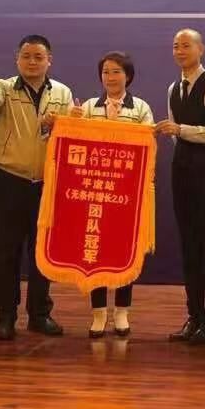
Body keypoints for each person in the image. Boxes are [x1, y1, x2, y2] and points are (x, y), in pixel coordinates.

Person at [0, 34, 73, 341]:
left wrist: (66, 122)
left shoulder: (62, 92)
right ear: (17, 59)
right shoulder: (4, 88)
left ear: (49, 61)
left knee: (42, 252)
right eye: (26, 56)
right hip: (10, 179)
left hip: (47, 182)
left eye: (38, 57)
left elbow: (71, 133)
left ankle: (39, 314)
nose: (32, 62)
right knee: (7, 251)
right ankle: (5, 315)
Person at [71, 51, 154, 338]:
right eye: (105, 72)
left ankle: (121, 311)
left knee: (123, 251)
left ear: (127, 76)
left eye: (116, 71)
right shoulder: (88, 107)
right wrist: (74, 122)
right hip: (95, 193)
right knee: (94, 251)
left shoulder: (140, 107)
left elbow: (148, 145)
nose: (110, 77)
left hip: (127, 194)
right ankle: (98, 313)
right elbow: (76, 145)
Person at [156, 29, 205, 346]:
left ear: (201, 49)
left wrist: (182, 130)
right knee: (189, 247)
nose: (180, 50)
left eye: (186, 45)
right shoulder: (173, 88)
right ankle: (194, 316)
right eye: (176, 46)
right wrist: (179, 133)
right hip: (182, 173)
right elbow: (176, 136)